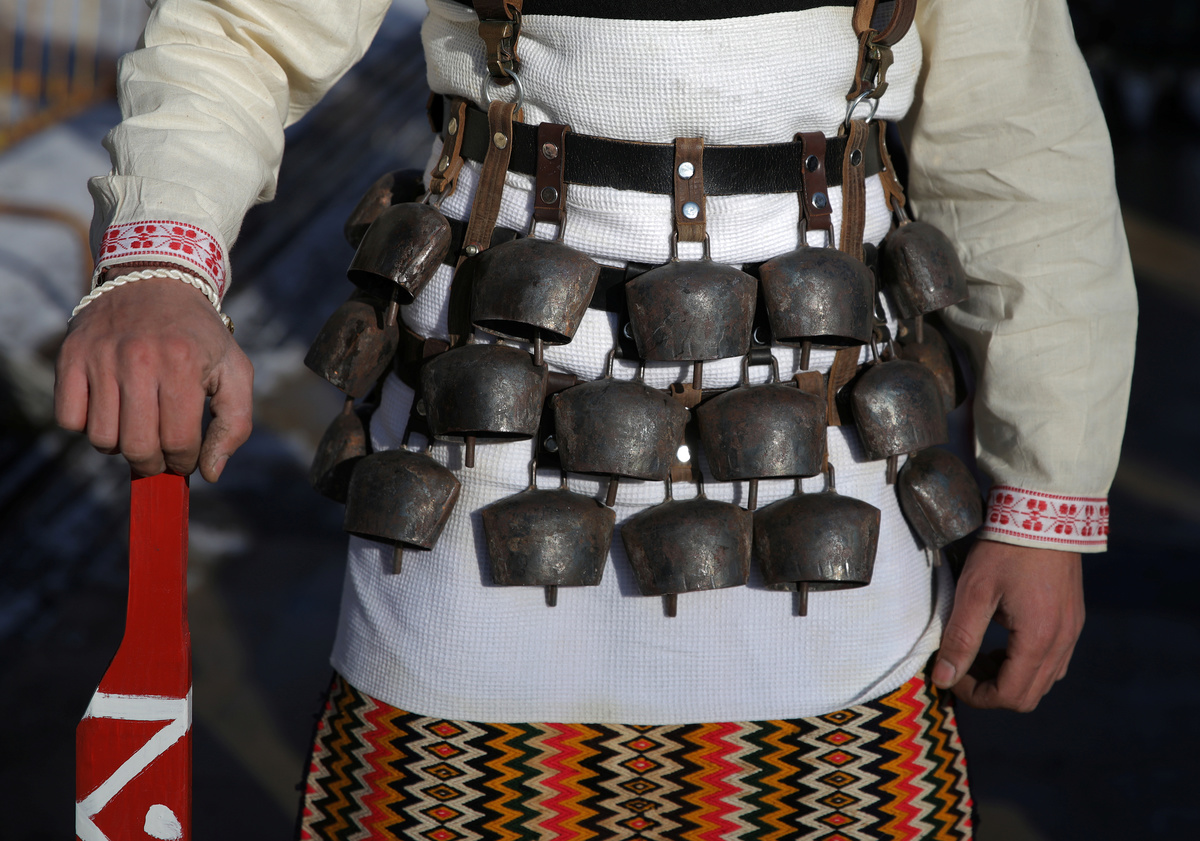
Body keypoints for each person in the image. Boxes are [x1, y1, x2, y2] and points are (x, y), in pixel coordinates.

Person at [56, 0, 1136, 837]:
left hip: (836, 539)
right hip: (469, 526)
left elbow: (1018, 150)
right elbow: (240, 28)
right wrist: (161, 257)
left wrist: (1050, 492)